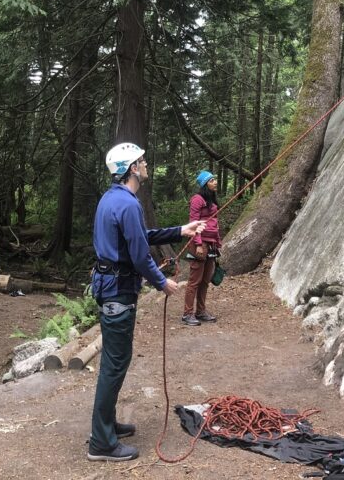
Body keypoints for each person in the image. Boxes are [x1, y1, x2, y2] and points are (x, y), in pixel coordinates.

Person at [87, 142, 205, 462]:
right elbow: (139, 255)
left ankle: (106, 425)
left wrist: (181, 230)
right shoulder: (127, 204)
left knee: (115, 362)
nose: (146, 164)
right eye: (141, 161)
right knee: (114, 364)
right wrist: (161, 282)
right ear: (131, 169)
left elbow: (141, 236)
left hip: (110, 288)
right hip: (118, 292)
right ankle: (101, 442)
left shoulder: (115, 199)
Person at [182, 170, 222, 326]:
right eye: (212, 180)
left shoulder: (211, 199)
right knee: (194, 281)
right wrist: (198, 243)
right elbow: (194, 222)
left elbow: (214, 224)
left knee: (205, 280)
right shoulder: (197, 199)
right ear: (205, 183)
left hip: (211, 244)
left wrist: (218, 242)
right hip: (200, 243)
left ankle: (201, 311)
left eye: (215, 179)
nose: (215, 182)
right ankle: (187, 314)